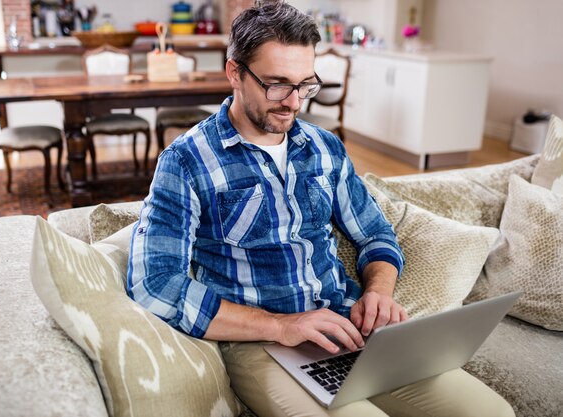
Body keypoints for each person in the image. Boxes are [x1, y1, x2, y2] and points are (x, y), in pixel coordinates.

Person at [128, 1, 515, 416]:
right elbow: (156, 284)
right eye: (276, 84)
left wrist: (378, 293)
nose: (293, 103)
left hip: (345, 326)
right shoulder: (186, 161)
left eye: (305, 85)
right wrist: (282, 326)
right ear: (235, 72)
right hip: (260, 344)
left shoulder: (324, 148)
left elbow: (375, 234)